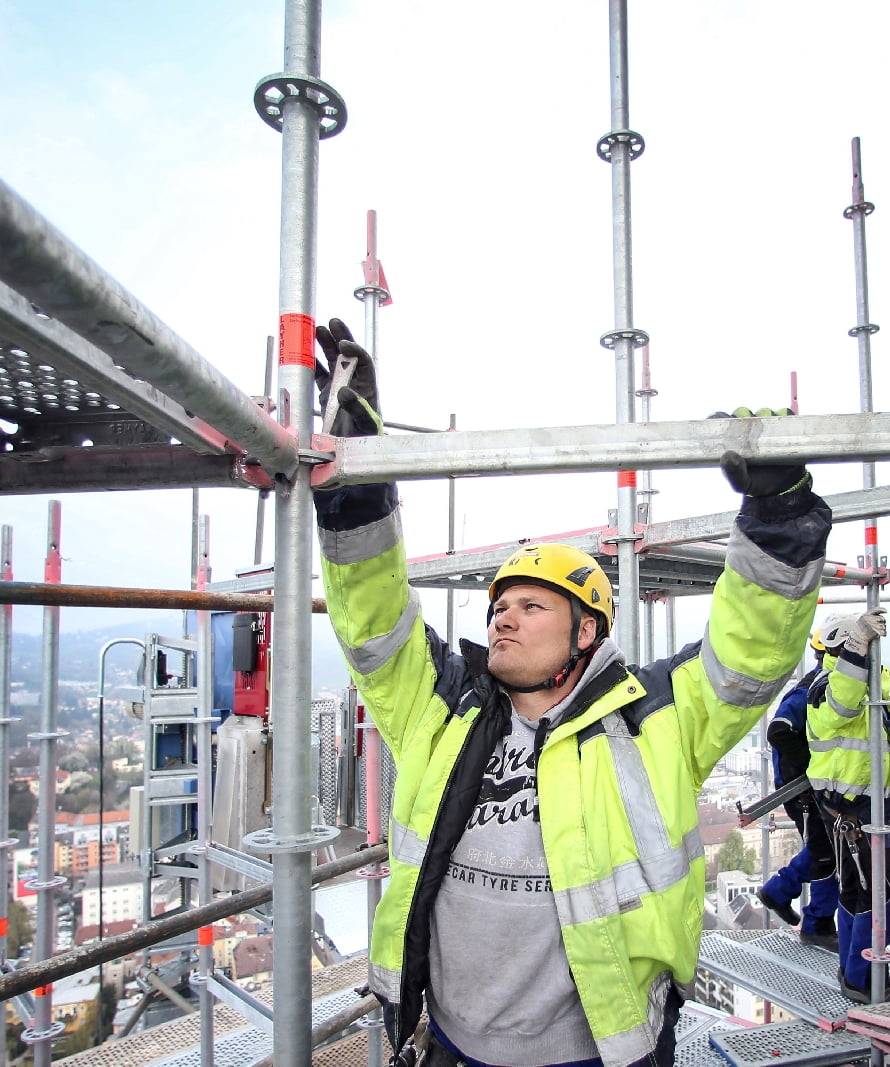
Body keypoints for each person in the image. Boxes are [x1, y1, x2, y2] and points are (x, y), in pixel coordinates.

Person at [313, 322, 833, 1067]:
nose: (503, 616)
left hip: (593, 1053)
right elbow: (373, 617)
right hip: (449, 1044)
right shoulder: (442, 708)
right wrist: (357, 484)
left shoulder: (655, 717)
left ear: (586, 630)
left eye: (531, 606)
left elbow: (750, 650)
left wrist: (779, 512)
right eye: (499, 605)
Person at [805, 610, 890, 1000]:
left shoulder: (867, 689)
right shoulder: (828, 686)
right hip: (851, 808)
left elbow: (871, 749)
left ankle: (859, 971)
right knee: (885, 893)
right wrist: (857, 647)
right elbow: (844, 704)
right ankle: (862, 975)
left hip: (863, 805)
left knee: (859, 891)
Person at [755, 628, 839, 950]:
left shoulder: (827, 686)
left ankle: (788, 898)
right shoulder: (810, 691)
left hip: (811, 785)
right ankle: (813, 920)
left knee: (827, 850)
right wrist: (809, 770)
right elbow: (778, 732)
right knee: (826, 852)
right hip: (803, 788)